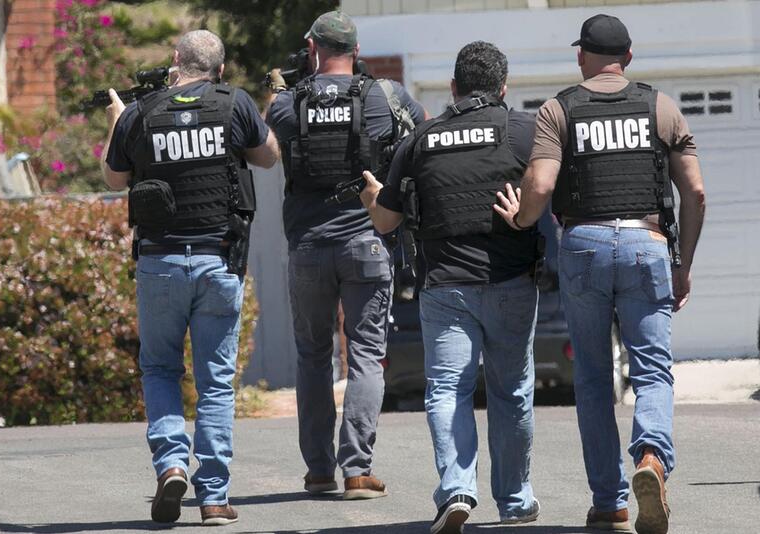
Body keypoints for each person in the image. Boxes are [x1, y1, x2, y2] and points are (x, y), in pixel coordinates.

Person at [493, 15, 705, 534]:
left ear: (581, 56)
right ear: (628, 58)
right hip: (647, 244)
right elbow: (695, 192)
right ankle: (652, 458)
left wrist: (520, 218)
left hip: (584, 245)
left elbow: (540, 184)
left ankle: (609, 503)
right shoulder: (660, 106)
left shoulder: (557, 109)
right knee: (652, 370)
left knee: (591, 380)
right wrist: (684, 263)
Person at [360, 41, 541, 534]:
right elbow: (552, 192)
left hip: (444, 287)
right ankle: (515, 499)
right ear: (503, 88)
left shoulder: (420, 140)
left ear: (454, 86)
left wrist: (372, 194)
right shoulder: (524, 131)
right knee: (512, 393)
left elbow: (386, 221)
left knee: (447, 390)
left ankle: (458, 488)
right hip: (510, 282)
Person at [100, 29, 279, 527]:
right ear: (220, 70)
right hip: (219, 262)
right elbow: (269, 156)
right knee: (216, 383)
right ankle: (215, 498)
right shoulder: (235, 104)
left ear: (175, 60)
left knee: (159, 370)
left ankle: (171, 464)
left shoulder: (140, 113)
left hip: (159, 262)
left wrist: (117, 125)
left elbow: (114, 180)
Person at [264, 10, 426, 500]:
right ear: (356, 52)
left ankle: (318, 471)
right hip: (366, 242)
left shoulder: (289, 103)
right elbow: (419, 133)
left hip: (309, 247)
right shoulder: (384, 97)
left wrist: (283, 84)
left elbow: (273, 124)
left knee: (313, 357)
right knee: (366, 357)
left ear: (313, 49)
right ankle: (357, 469)